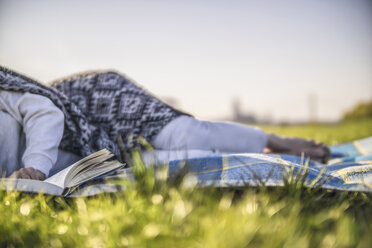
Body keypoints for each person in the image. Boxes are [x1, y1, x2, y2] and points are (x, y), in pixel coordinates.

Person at [0, 67, 330, 180]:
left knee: (184, 134)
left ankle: (274, 139)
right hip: (92, 157)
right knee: (178, 165)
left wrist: (35, 166)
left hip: (87, 102)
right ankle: (274, 158)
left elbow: (44, 110)